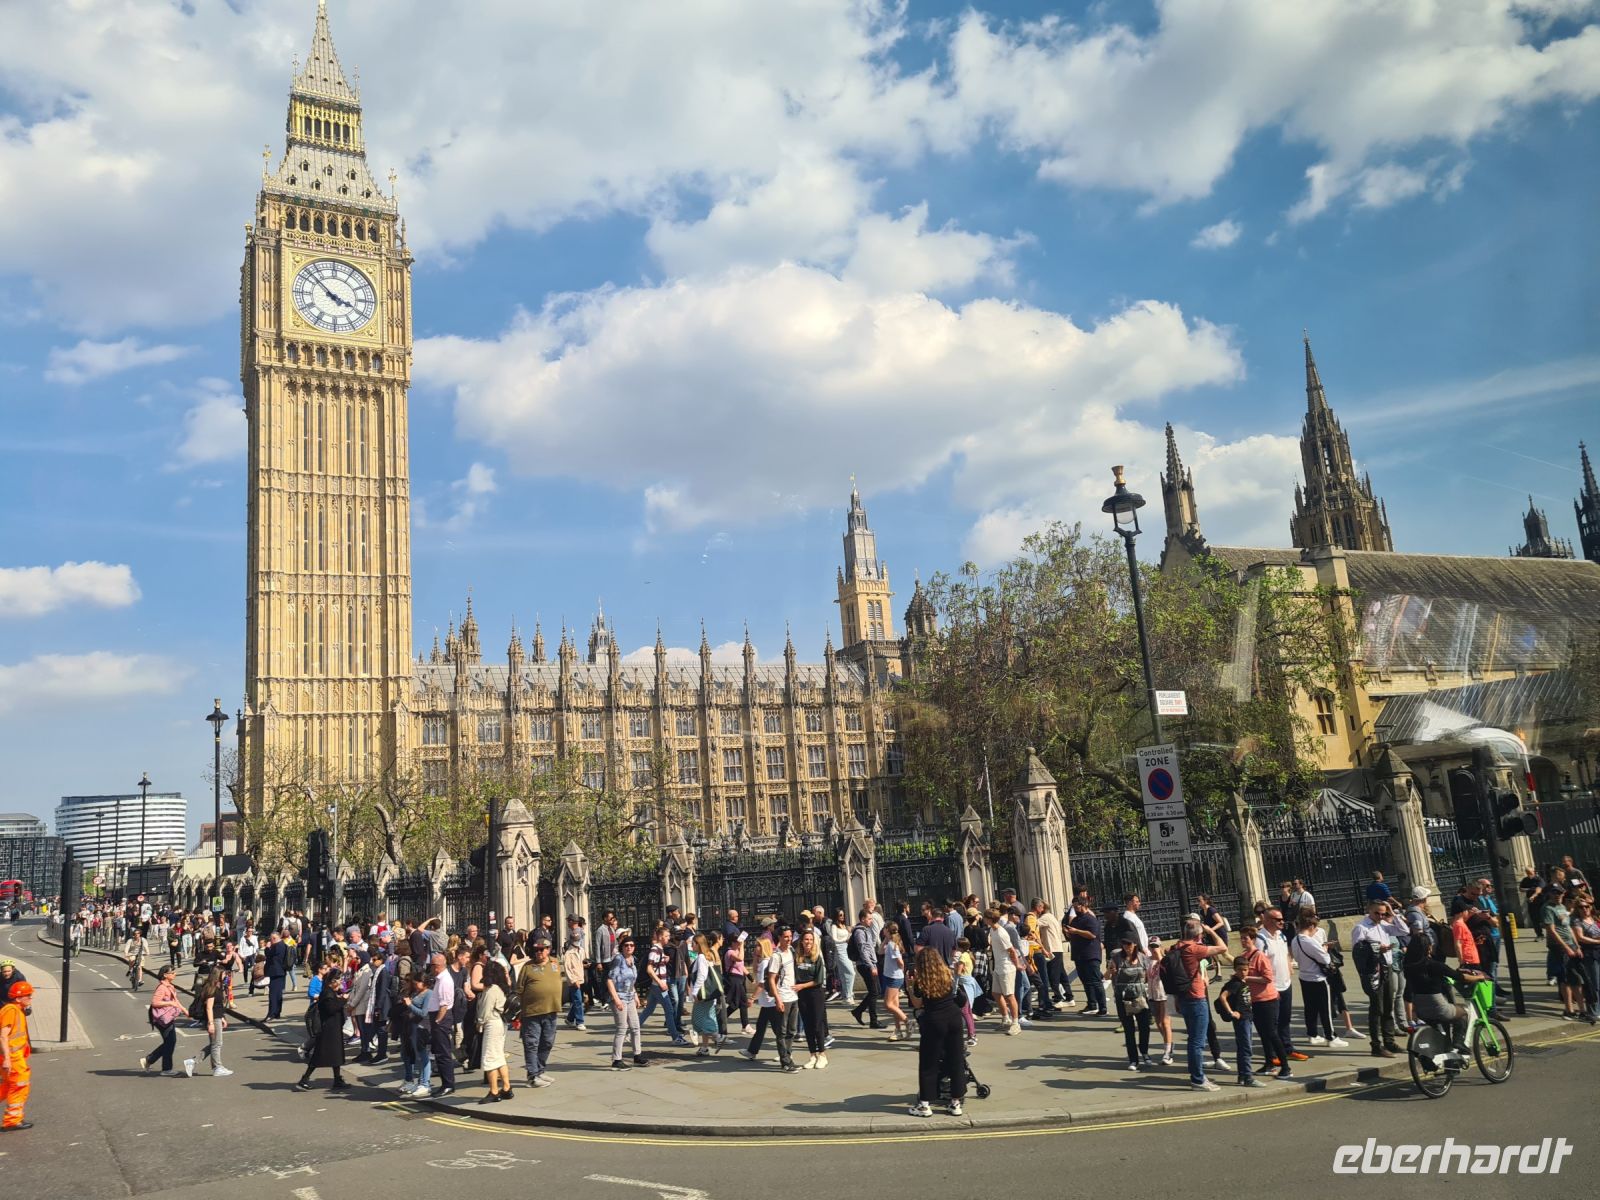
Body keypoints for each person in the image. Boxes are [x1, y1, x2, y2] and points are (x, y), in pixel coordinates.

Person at [1402, 936, 1485, 1061]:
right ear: (1428, 948)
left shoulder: (1408, 967)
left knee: (1442, 1027)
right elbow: (1461, 977)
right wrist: (1479, 977)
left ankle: (1446, 1055)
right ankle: (1458, 1042)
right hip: (1438, 1006)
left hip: (1421, 1010)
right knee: (1463, 1012)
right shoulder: (1436, 965)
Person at [907, 946, 966, 1117]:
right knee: (956, 1061)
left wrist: (910, 985)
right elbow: (960, 998)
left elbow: (918, 1004)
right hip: (954, 1019)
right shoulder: (949, 974)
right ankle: (955, 1103)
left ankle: (925, 1105)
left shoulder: (922, 980)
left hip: (934, 1021)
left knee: (928, 1063)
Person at [1350, 899, 1406, 1057]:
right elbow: (1358, 953)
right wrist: (1376, 951)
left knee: (1388, 1006)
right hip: (1373, 971)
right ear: (1369, 910)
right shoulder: (1361, 928)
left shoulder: (1383, 925)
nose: (1380, 916)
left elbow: (1404, 931)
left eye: (1383, 914)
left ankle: (1390, 1042)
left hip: (1387, 967)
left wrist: (1392, 913)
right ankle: (1376, 1045)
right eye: (1377, 913)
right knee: (1377, 1008)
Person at [1254, 908, 1305, 1065]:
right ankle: (1271, 1054)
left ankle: (1287, 1049)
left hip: (1285, 983)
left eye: (1282, 919)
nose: (1282, 922)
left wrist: (1289, 966)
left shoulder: (1281, 935)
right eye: (1278, 919)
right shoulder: (1261, 939)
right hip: (1271, 987)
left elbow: (1285, 954)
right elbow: (1257, 963)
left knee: (1285, 1019)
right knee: (1271, 1023)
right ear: (1268, 920)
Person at [1290, 912, 1345, 1047]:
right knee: (1325, 1008)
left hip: (1304, 977)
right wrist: (1325, 948)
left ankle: (1312, 1034)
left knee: (1310, 1008)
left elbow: (1296, 957)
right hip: (1318, 978)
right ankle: (1331, 1037)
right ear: (1311, 926)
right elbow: (1325, 959)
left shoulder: (1295, 939)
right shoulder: (1308, 941)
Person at [514, 938, 562, 1087]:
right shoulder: (527, 967)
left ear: (548, 949)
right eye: (536, 950)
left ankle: (540, 1070)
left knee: (547, 1042)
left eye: (542, 949)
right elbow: (519, 988)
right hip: (532, 1012)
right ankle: (532, 1075)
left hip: (551, 1009)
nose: (539, 952)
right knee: (531, 1043)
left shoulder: (555, 963)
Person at [295, 966, 349, 1092]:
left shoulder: (330, 992)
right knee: (319, 1056)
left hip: (334, 1028)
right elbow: (331, 1009)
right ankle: (304, 1079)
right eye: (339, 980)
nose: (341, 982)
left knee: (337, 1055)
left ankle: (337, 1079)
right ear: (333, 981)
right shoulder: (327, 993)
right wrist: (343, 1001)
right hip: (328, 1030)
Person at [1108, 933, 1153, 1070]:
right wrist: (1111, 971)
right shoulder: (1116, 958)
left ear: (1135, 944)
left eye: (1129, 944)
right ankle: (1133, 1059)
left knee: (1144, 1026)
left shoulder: (1142, 958)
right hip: (1123, 998)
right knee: (1129, 1029)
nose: (1127, 947)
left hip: (1140, 997)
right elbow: (1107, 976)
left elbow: (1148, 976)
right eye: (1124, 944)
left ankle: (1144, 1052)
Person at [1217, 955, 1262, 1088]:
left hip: (1247, 1017)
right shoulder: (1235, 983)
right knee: (1246, 1048)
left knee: (1243, 1048)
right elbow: (1222, 997)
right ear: (1235, 969)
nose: (1243, 972)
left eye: (1245, 969)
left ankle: (1242, 1076)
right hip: (1242, 1020)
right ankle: (1248, 1077)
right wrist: (1231, 1012)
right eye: (1240, 970)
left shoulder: (1242, 981)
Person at [606, 934, 646, 1070]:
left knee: (635, 1027)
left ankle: (637, 1055)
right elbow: (610, 980)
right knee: (622, 1028)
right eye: (626, 945)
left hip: (629, 997)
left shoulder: (633, 960)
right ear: (622, 947)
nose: (629, 947)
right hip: (620, 997)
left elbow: (631, 981)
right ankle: (616, 1060)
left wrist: (635, 995)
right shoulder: (618, 959)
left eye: (631, 945)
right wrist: (616, 999)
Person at [184, 967, 232, 1078]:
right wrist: (211, 1023)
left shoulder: (216, 987)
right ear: (218, 975)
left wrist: (223, 1017)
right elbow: (209, 1007)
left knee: (214, 1044)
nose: (225, 976)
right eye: (224, 974)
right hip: (213, 1019)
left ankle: (192, 1062)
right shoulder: (211, 989)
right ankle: (217, 1067)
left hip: (217, 1017)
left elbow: (218, 1006)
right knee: (217, 1044)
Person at [476, 960, 512, 1103]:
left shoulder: (491, 990)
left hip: (492, 1023)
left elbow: (485, 1011)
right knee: (499, 1056)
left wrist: (479, 1023)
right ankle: (507, 1088)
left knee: (489, 1058)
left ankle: (494, 1091)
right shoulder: (502, 988)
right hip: (501, 1023)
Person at [792, 929, 828, 1068]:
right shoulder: (798, 957)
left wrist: (802, 986)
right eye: (806, 939)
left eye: (811, 940)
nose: (808, 942)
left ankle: (822, 1054)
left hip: (815, 993)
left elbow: (818, 980)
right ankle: (812, 1054)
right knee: (807, 1025)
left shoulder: (817, 957)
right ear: (801, 941)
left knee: (817, 1024)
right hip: (802, 995)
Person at [141, 965, 184, 1076]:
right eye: (172, 972)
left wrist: (185, 1010)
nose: (175, 974)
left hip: (167, 1018)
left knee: (170, 1042)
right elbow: (155, 1002)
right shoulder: (162, 988)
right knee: (170, 1042)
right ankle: (166, 1069)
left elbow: (175, 1000)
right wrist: (170, 1003)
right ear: (165, 975)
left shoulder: (169, 986)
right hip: (162, 1020)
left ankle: (150, 1060)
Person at [985, 907, 1022, 1035]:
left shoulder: (1001, 933)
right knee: (996, 993)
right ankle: (1005, 1018)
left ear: (989, 919)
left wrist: (1017, 965)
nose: (984, 919)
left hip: (1007, 968)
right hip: (998, 967)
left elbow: (1011, 950)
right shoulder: (992, 930)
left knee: (1009, 995)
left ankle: (1015, 1023)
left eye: (985, 917)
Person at [1, 981, 33, 1130]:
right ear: (19, 998)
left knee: (7, 1087)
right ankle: (13, 1120)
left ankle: (14, 1119)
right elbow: (3, 1036)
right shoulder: (11, 1010)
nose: (31, 999)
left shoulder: (16, 1009)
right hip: (12, 1057)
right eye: (28, 996)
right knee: (19, 1086)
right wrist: (7, 1059)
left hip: (15, 1055)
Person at [1067, 896, 1106, 1016]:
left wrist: (1076, 931)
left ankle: (1102, 1007)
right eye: (1073, 906)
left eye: (1076, 906)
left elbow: (1092, 935)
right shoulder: (1075, 920)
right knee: (1086, 981)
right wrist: (1068, 932)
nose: (1074, 908)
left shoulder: (1090, 919)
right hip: (1079, 955)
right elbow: (1072, 935)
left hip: (1091, 955)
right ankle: (1091, 1004)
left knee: (1095, 981)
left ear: (1082, 905)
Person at [688, 931, 725, 1056]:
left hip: (702, 995)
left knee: (698, 1020)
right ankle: (705, 1047)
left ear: (698, 944)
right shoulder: (707, 956)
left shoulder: (701, 957)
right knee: (706, 1018)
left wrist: (694, 992)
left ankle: (718, 1037)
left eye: (693, 944)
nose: (691, 946)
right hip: (708, 995)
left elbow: (702, 976)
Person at [848, 907, 881, 1029]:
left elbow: (869, 947)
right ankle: (873, 1020)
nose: (871, 921)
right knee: (874, 992)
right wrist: (871, 965)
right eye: (869, 919)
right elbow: (863, 950)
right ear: (862, 919)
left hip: (870, 963)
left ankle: (858, 1011)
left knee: (875, 991)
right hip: (865, 965)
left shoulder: (865, 930)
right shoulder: (859, 932)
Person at [880, 924, 909, 1041]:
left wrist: (901, 971)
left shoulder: (893, 945)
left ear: (887, 930)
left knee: (888, 1004)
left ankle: (907, 1022)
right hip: (889, 976)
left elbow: (900, 962)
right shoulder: (889, 943)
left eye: (884, 929)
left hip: (894, 978)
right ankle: (898, 1030)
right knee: (895, 1005)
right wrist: (885, 939)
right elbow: (880, 951)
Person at [561, 925, 588, 1032]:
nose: (577, 941)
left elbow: (582, 962)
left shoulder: (581, 950)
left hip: (581, 977)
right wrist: (573, 980)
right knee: (578, 1000)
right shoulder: (568, 953)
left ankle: (569, 1018)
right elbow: (567, 969)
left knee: (578, 999)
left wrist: (585, 964)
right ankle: (580, 1022)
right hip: (574, 980)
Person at [262, 930, 290, 1020]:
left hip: (275, 972)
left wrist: (267, 948)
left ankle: (272, 1013)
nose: (270, 940)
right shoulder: (284, 945)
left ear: (274, 938)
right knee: (278, 994)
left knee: (273, 995)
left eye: (271, 939)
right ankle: (277, 1012)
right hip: (281, 972)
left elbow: (268, 955)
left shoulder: (276, 946)